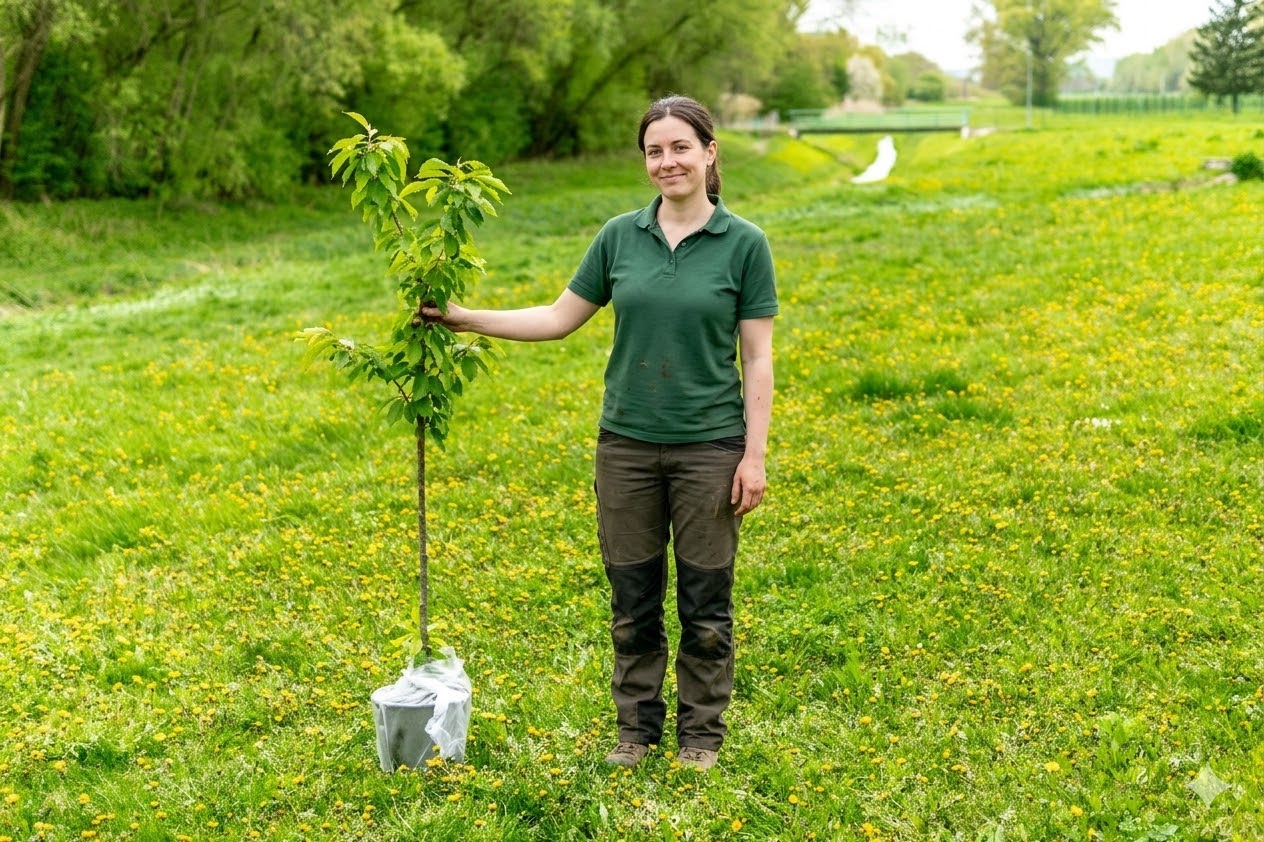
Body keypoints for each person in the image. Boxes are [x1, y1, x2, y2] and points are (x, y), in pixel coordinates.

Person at [422, 95, 778, 772]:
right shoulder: (619, 237)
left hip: (710, 448)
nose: (667, 161)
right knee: (633, 598)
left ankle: (701, 737)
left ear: (709, 153)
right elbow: (558, 317)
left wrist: (753, 456)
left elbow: (757, 355)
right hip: (627, 448)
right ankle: (636, 734)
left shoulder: (744, 245)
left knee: (707, 602)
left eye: (680, 147)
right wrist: (464, 318)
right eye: (654, 150)